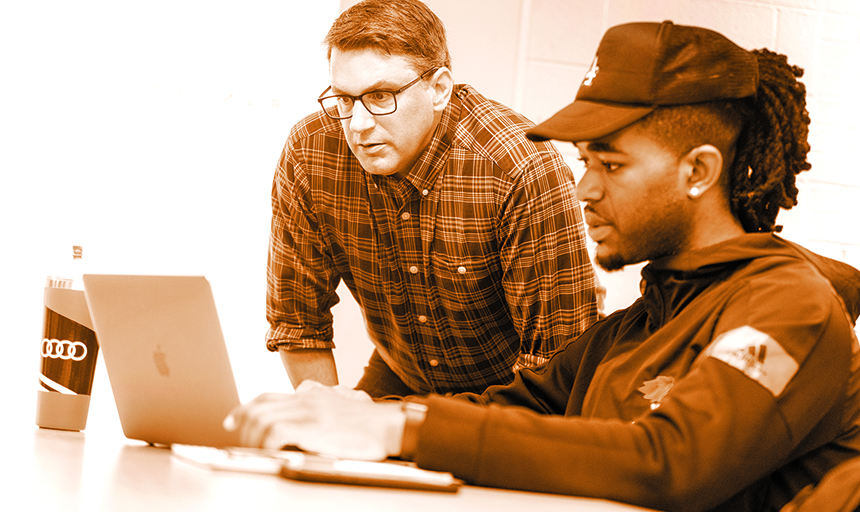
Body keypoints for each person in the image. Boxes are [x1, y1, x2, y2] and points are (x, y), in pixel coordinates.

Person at [230, 21, 860, 512]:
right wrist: (349, 424)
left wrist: (401, 427)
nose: (583, 189)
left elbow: (671, 461)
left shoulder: (789, 311)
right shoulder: (636, 327)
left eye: (609, 165)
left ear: (697, 171)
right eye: (585, 161)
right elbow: (516, 407)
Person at [266, 0, 598, 397]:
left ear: (439, 89)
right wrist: (326, 429)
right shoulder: (311, 151)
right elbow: (298, 325)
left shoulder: (519, 167)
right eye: (344, 99)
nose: (358, 124)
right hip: (405, 372)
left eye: (381, 96)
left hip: (519, 388)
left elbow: (556, 365)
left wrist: (424, 432)